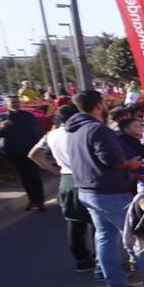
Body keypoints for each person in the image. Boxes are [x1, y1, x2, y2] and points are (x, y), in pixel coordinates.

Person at [63, 90, 144, 287]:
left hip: (88, 190)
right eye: (104, 103)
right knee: (137, 235)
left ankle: (116, 283)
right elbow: (111, 159)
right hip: (110, 191)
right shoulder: (97, 129)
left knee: (105, 237)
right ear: (98, 105)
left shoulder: (73, 130)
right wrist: (129, 164)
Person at [28, 103, 94, 273]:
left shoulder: (51, 135)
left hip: (66, 179)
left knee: (74, 222)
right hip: (88, 178)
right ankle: (103, 260)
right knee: (98, 223)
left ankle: (82, 259)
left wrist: (53, 169)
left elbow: (34, 154)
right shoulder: (84, 131)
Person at [0, 97, 46, 211]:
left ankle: (40, 201)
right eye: (12, 102)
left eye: (17, 102)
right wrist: (2, 127)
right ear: (7, 104)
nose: (15, 104)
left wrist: (40, 150)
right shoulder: (1, 117)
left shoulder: (27, 116)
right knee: (24, 178)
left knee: (34, 176)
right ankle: (32, 200)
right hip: (13, 153)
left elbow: (37, 133)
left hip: (30, 152)